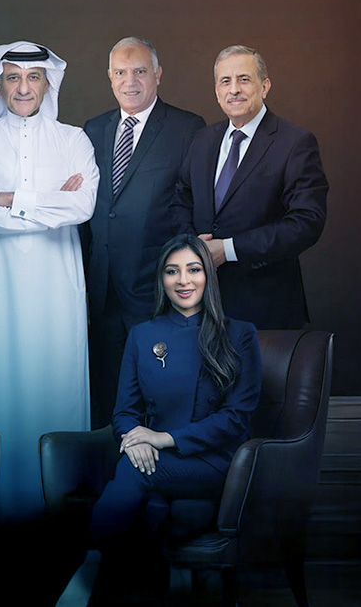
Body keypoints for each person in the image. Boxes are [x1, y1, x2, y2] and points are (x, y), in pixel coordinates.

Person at [0, 41, 99, 520]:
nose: (22, 87)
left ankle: (58, 504)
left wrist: (11, 198)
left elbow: (82, 206)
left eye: (33, 77)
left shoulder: (74, 139)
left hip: (57, 288)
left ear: (48, 83)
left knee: (55, 377)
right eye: (12, 77)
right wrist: (50, 201)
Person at [88, 234, 263, 604]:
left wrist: (161, 439)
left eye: (193, 269)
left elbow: (236, 419)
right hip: (156, 460)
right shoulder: (142, 335)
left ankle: (84, 567)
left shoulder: (239, 334)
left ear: (208, 276)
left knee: (133, 477)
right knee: (159, 512)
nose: (183, 280)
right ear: (162, 279)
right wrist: (135, 439)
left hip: (214, 462)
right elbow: (124, 412)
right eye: (172, 271)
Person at [83, 36, 206, 429]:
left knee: (158, 393)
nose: (130, 81)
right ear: (109, 77)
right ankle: (110, 463)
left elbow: (192, 207)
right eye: (121, 72)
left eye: (139, 71)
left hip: (153, 288)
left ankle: (157, 462)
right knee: (105, 394)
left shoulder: (187, 128)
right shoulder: (93, 129)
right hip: (101, 291)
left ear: (158, 74)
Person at [172, 45, 328, 329]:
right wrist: (192, 245)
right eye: (225, 81)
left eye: (244, 79)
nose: (234, 90)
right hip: (201, 305)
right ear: (217, 91)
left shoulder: (295, 143)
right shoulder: (203, 139)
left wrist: (229, 249)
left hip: (265, 310)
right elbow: (182, 197)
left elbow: (307, 222)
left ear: (264, 86)